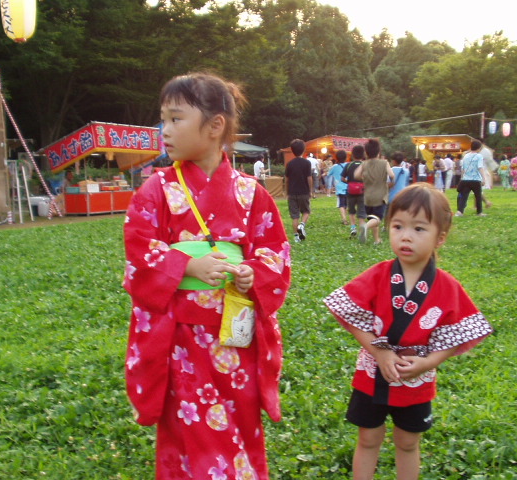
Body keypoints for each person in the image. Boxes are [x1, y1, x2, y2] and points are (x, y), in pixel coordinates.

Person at [122, 72, 292, 480]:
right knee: (193, 430)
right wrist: (186, 265)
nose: (164, 130)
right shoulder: (156, 189)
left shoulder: (251, 192)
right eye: (163, 119)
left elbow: (274, 251)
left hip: (235, 335)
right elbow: (139, 250)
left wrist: (251, 272)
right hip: (182, 341)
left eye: (176, 119)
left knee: (240, 422)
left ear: (215, 126)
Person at [323, 183, 493, 480]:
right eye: (397, 226)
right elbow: (349, 315)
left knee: (408, 442)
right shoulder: (378, 275)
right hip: (372, 373)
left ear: (440, 237)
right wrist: (379, 352)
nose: (405, 236)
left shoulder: (447, 286)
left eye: (419, 229)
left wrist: (428, 363)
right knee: (368, 438)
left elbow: (457, 335)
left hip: (416, 377)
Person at [354, 139, 394, 245]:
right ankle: (365, 227)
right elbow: (392, 175)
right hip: (380, 196)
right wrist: (390, 181)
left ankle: (377, 240)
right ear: (378, 152)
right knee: (378, 218)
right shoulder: (384, 163)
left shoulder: (364, 164)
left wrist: (364, 179)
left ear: (366, 153)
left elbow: (356, 175)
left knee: (372, 217)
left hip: (367, 196)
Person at [285, 139, 313, 242]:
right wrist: (310, 190)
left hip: (292, 192)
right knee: (306, 211)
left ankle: (296, 237)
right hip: (304, 191)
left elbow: (287, 179)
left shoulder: (289, 164)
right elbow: (309, 178)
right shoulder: (307, 163)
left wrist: (287, 192)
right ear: (303, 150)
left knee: (295, 216)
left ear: (292, 150)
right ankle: (302, 225)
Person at [455, 139, 486, 217]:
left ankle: (459, 211)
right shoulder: (479, 156)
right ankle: (479, 212)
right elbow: (480, 167)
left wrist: (462, 178)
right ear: (479, 148)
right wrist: (484, 178)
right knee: (478, 196)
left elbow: (463, 168)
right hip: (476, 179)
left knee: (464, 196)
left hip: (466, 179)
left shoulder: (466, 156)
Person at [342, 144, 367, 238]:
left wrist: (349, 182)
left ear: (352, 154)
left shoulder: (348, 165)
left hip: (350, 191)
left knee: (351, 210)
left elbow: (342, 178)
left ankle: (353, 227)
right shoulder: (365, 165)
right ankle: (362, 228)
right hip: (362, 191)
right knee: (361, 211)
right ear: (363, 154)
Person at [328, 150, 350, 225]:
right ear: (346, 157)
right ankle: (345, 218)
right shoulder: (348, 165)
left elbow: (329, 173)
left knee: (341, 205)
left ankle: (344, 219)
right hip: (348, 187)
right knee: (346, 204)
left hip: (339, 188)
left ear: (336, 158)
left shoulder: (335, 166)